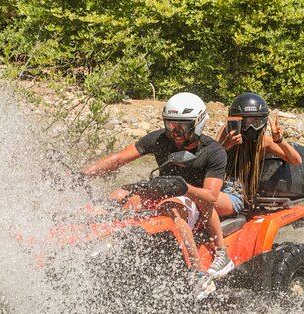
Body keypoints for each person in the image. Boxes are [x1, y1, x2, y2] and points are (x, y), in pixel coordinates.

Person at [82, 92, 235, 282]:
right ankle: (93, 244)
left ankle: (198, 275)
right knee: (117, 195)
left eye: (182, 127)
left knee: (171, 207)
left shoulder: (214, 152)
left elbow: (211, 197)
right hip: (162, 191)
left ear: (198, 123)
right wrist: (83, 175)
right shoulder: (160, 138)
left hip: (193, 200)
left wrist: (182, 187)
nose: (175, 133)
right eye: (170, 125)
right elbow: (119, 158)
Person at [215, 93, 302, 216]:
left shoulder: (264, 142)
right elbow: (210, 159)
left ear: (263, 121)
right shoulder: (227, 133)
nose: (250, 126)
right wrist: (225, 146)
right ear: (235, 121)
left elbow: (296, 160)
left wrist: (280, 140)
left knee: (207, 201)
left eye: (255, 121)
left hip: (237, 191)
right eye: (245, 121)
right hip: (217, 184)